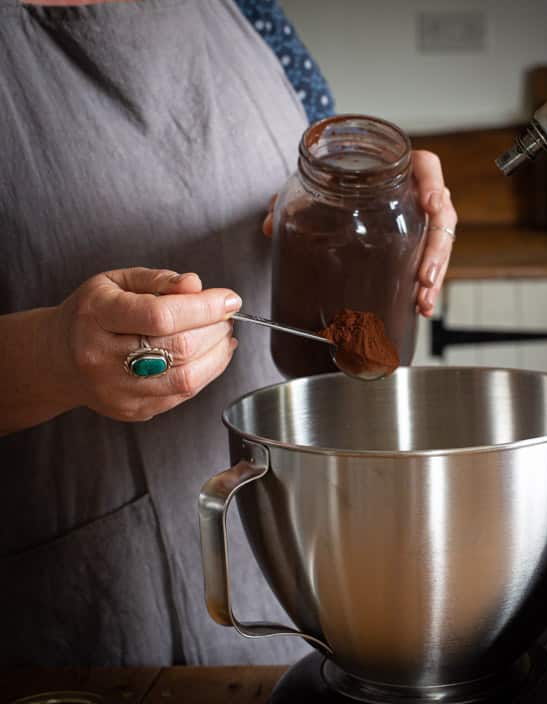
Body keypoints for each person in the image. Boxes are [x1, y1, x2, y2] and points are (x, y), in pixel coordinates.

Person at [0, 0, 458, 666]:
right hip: (84, 614)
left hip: (290, 560)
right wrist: (49, 357)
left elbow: (314, 178)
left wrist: (375, 200)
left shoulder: (250, 10)